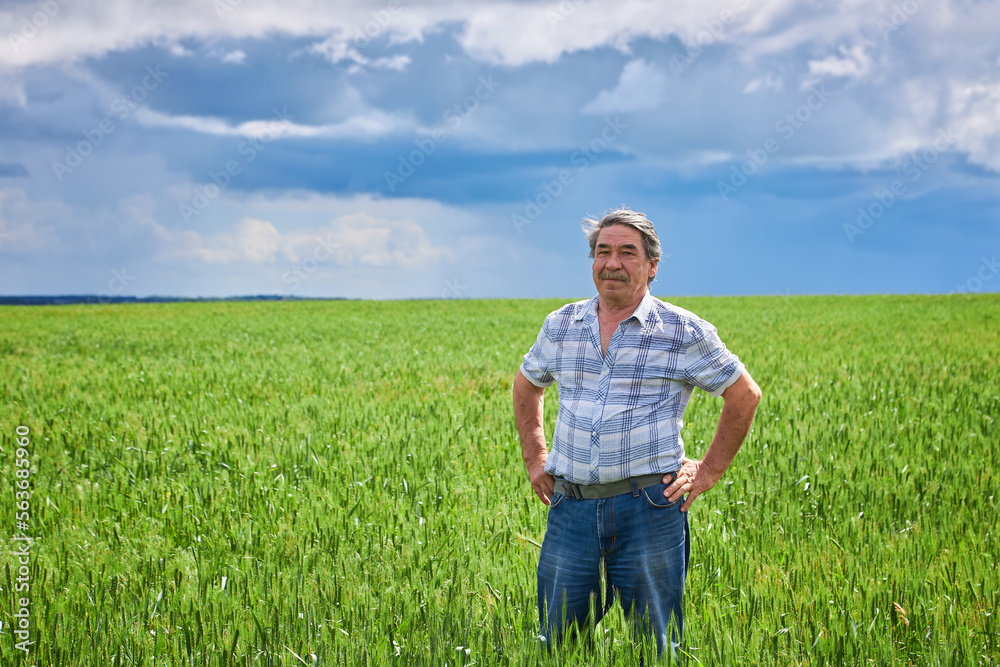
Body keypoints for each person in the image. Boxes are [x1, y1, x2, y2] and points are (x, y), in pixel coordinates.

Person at [512, 207, 762, 659]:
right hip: (571, 506)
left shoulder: (681, 330)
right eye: (603, 252)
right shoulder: (562, 324)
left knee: (654, 645)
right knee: (559, 645)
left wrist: (707, 471)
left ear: (652, 266)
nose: (613, 263)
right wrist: (535, 458)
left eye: (628, 252)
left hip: (649, 506)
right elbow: (527, 385)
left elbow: (744, 395)